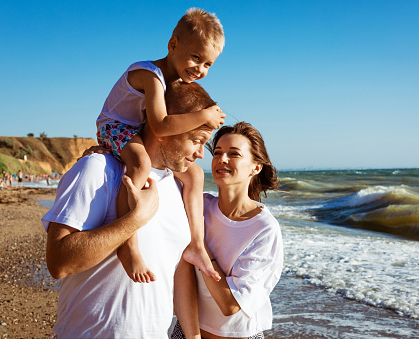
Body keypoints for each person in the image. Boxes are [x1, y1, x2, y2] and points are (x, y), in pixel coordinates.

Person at [42, 82, 217, 338]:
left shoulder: (178, 187)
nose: (202, 153)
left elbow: (177, 270)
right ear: (164, 130)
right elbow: (59, 262)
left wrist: (193, 337)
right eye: (197, 141)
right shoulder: (98, 169)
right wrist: (134, 220)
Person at [96, 7, 225, 284]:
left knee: (195, 174)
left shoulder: (176, 80)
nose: (200, 70)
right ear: (173, 44)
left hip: (137, 130)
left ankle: (197, 245)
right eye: (196, 57)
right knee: (140, 164)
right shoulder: (151, 75)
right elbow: (161, 126)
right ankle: (127, 245)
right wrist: (204, 115)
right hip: (116, 127)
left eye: (208, 64)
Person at [173, 122, 284, 339]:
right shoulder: (199, 205)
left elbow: (231, 305)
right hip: (187, 332)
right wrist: (110, 152)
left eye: (234, 154)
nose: (222, 159)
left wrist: (200, 246)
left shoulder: (264, 228)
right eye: (217, 153)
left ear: (256, 167)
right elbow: (159, 167)